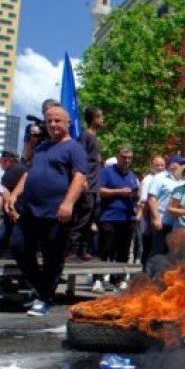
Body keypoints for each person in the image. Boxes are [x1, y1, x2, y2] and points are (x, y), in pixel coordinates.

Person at [6, 104, 88, 317]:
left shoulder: (74, 148)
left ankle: (44, 298)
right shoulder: (41, 148)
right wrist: (15, 194)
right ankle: (42, 289)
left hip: (56, 213)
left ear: (68, 123)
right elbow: (28, 173)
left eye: (57, 120)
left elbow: (79, 177)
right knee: (18, 246)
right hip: (30, 210)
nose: (53, 124)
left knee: (53, 257)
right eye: (49, 120)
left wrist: (68, 203)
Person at [96, 145, 140, 292]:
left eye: (129, 158)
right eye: (124, 157)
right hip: (109, 216)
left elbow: (136, 196)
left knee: (124, 250)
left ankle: (119, 278)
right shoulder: (107, 172)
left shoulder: (132, 175)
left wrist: (135, 194)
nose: (126, 160)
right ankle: (99, 279)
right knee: (105, 249)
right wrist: (119, 192)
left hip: (127, 218)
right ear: (118, 157)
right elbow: (100, 191)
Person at [69, 106, 104, 260]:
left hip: (95, 186)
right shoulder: (86, 136)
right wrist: (82, 179)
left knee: (89, 219)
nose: (103, 120)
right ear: (94, 119)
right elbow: (79, 158)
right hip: (87, 186)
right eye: (100, 116)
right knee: (82, 218)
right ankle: (70, 250)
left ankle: (82, 249)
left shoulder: (95, 138)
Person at [146, 154, 185, 259]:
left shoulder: (183, 180)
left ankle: (165, 275)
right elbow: (152, 198)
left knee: (172, 254)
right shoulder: (160, 178)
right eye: (180, 163)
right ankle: (151, 274)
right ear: (172, 165)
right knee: (158, 252)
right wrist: (156, 218)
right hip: (163, 222)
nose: (183, 166)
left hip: (177, 224)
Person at [138, 155, 167, 270]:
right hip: (149, 221)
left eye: (162, 165)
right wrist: (148, 225)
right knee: (148, 250)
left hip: (160, 222)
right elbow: (145, 203)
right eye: (157, 165)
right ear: (152, 166)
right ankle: (145, 275)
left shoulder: (165, 178)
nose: (160, 167)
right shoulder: (148, 180)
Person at [0, 150, 24, 258]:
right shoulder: (22, 169)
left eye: (4, 160)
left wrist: (11, 208)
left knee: (4, 239)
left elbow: (4, 189)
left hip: (14, 213)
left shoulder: (13, 170)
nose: (2, 163)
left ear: (10, 160)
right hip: (19, 212)